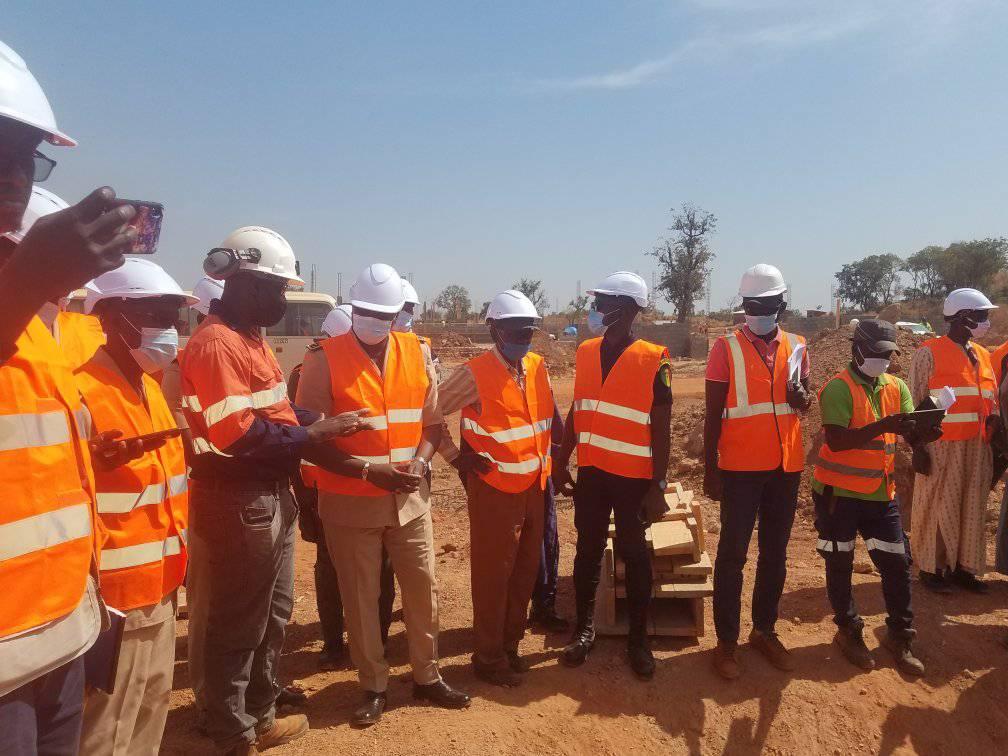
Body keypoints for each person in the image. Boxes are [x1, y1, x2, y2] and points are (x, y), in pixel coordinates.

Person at [0, 40, 141, 754]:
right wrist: (26, 280)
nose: (15, 177)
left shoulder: (31, 313)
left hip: (56, 630)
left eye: (28, 158)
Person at [180, 226, 366, 754]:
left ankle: (259, 714)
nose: (283, 300)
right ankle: (232, 730)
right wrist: (313, 435)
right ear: (246, 283)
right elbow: (236, 434)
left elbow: (275, 412)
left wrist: (318, 422)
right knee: (240, 620)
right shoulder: (218, 344)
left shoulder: (250, 339)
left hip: (268, 495)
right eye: (278, 288)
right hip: (238, 498)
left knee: (272, 613)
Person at [297, 263, 470, 726]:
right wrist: (370, 473)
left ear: (398, 314)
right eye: (368, 312)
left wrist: (422, 463)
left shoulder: (416, 351)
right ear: (353, 308)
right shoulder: (322, 358)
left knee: (422, 590)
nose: (376, 321)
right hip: (350, 502)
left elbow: (432, 424)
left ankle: (427, 676)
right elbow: (311, 439)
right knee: (361, 598)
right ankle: (373, 685)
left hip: (410, 500)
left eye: (385, 315)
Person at [74, 258, 198, 753]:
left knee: (150, 711)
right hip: (115, 598)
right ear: (110, 317)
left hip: (162, 586)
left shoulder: (150, 387)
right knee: (108, 730)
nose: (168, 328)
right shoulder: (81, 392)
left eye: (173, 317)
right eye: (155, 316)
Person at [553, 271, 672, 680]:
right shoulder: (586, 351)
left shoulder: (654, 358)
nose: (595, 309)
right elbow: (579, 407)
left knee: (635, 555)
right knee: (587, 550)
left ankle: (638, 641)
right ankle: (584, 629)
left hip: (633, 479)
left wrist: (658, 486)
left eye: (603, 302)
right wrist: (561, 460)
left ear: (627, 308)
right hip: (593, 474)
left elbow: (662, 427)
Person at [437, 290, 556, 687]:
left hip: (534, 485)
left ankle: (510, 645)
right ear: (494, 330)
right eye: (515, 331)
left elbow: (543, 422)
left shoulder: (537, 366)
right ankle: (488, 657)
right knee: (493, 575)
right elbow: (427, 412)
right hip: (494, 489)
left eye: (528, 331)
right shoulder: (474, 374)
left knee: (524, 573)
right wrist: (456, 458)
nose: (523, 338)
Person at [703, 263, 811, 680]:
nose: (757, 313)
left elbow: (803, 401)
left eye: (765, 306)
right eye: (751, 305)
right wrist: (711, 469)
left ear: (781, 305)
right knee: (732, 556)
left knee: (775, 553)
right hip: (740, 469)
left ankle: (764, 630)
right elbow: (713, 413)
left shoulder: (798, 345)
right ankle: (727, 641)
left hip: (786, 466)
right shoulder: (725, 348)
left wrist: (802, 398)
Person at [813, 320, 935, 676]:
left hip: (881, 494)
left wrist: (923, 436)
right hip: (837, 496)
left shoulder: (896, 387)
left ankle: (900, 635)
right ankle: (848, 631)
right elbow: (837, 441)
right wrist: (884, 426)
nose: (883, 360)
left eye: (888, 354)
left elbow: (908, 429)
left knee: (896, 564)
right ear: (857, 349)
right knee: (840, 563)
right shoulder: (838, 388)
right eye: (877, 353)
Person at [290, 302, 396, 672]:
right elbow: (301, 445)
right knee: (330, 569)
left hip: (368, 487)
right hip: (325, 488)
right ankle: (334, 643)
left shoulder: (374, 371)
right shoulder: (305, 373)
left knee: (380, 568)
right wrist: (305, 503)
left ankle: (375, 641)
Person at [910, 288, 1000, 594]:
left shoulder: (983, 355)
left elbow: (989, 399)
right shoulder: (929, 353)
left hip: (977, 446)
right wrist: (918, 447)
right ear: (963, 317)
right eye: (982, 316)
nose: (986, 322)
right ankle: (932, 568)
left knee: (971, 506)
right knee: (938, 506)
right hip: (941, 445)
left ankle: (964, 568)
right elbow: (915, 404)